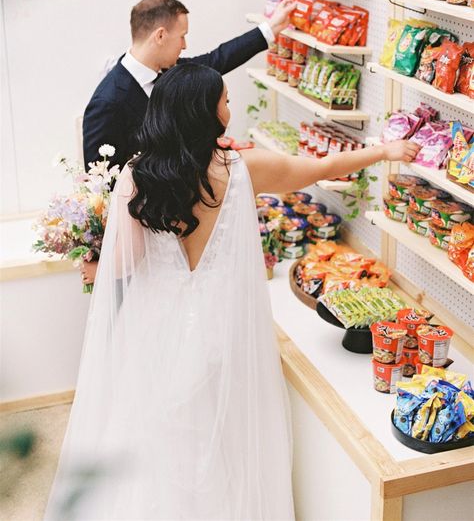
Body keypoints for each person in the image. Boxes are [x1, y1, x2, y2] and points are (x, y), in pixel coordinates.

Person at [45, 64, 420, 521]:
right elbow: (320, 169)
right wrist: (385, 151)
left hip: (156, 325)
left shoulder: (137, 177)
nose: (230, 107)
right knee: (221, 436)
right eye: (224, 100)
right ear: (205, 113)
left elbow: (124, 265)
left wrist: (91, 263)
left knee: (158, 432)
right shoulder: (246, 169)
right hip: (224, 323)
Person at [82, 0, 296, 170]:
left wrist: (270, 28)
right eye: (182, 36)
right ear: (160, 36)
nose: (185, 45)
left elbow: (217, 59)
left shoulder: (171, 72)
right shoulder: (107, 102)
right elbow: (100, 179)